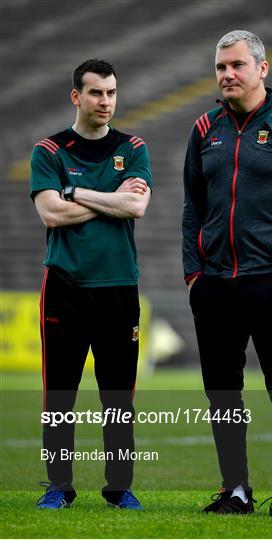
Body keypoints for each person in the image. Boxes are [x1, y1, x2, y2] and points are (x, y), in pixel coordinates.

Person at [182, 30, 272, 517]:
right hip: (215, 285)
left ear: (262, 69)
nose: (228, 75)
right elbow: (192, 208)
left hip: (270, 283)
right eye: (221, 67)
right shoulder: (204, 129)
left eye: (237, 65)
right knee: (223, 394)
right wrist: (193, 275)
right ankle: (235, 489)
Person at [30, 59, 152, 510]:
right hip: (65, 284)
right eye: (97, 93)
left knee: (118, 396)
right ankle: (58, 486)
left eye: (112, 93)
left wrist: (76, 193)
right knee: (59, 393)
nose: (106, 102)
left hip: (120, 287)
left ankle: (119, 488)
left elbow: (137, 208)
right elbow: (49, 213)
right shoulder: (49, 150)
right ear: (76, 96)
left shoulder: (133, 147)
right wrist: (112, 199)